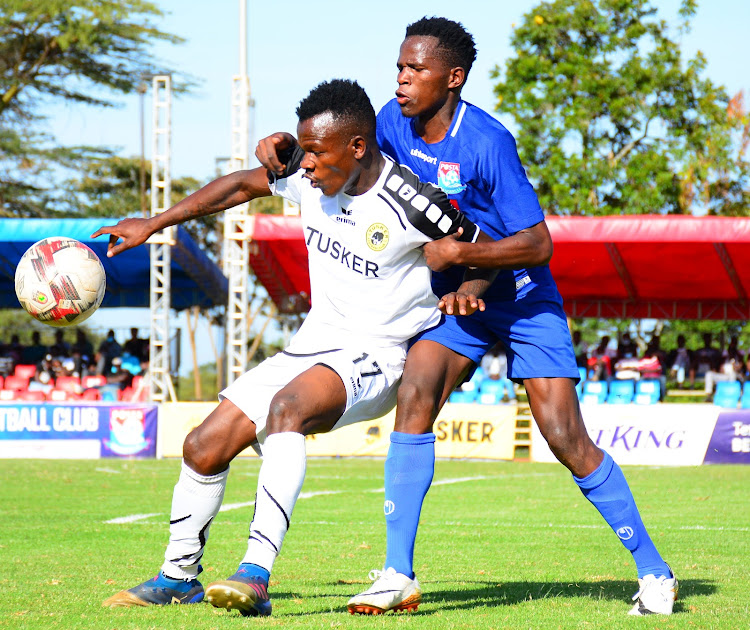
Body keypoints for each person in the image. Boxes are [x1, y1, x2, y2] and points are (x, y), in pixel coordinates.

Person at [258, 17, 676, 617]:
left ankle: (654, 572)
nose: (401, 80)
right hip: (457, 301)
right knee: (417, 391)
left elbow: (537, 244)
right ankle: (397, 573)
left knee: (563, 437)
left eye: (415, 69)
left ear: (452, 78)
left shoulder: (488, 141)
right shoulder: (387, 122)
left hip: (523, 297)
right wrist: (287, 148)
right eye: (399, 67)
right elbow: (339, 152)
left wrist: (464, 256)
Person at [95, 79, 486, 617]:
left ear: (356, 147)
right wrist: (154, 223)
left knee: (288, 410)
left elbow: (483, 250)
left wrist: (468, 290)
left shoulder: (413, 203)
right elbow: (239, 186)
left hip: (379, 354)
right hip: (313, 344)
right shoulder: (311, 176)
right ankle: (178, 575)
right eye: (305, 153)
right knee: (202, 446)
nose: (306, 166)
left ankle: (256, 574)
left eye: (319, 154)